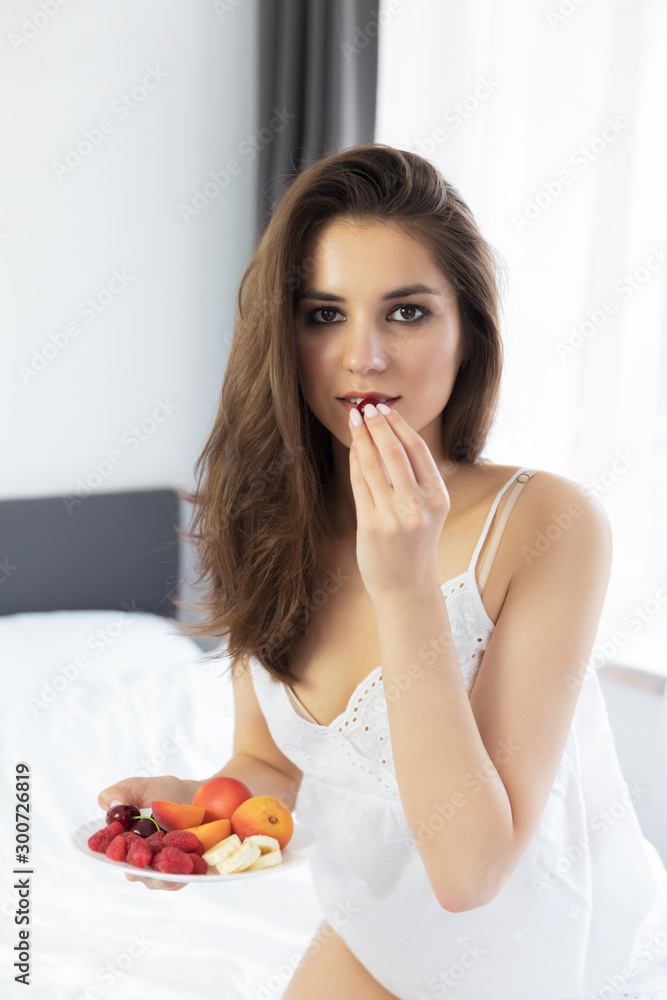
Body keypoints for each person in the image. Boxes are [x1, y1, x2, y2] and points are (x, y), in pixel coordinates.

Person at [99, 144, 667, 999]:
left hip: (544, 954)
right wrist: (199, 812)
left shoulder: (545, 524)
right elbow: (271, 762)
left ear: (467, 331)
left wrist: (403, 586)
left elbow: (470, 873)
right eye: (324, 315)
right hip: (376, 930)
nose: (363, 356)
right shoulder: (265, 522)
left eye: (404, 312)